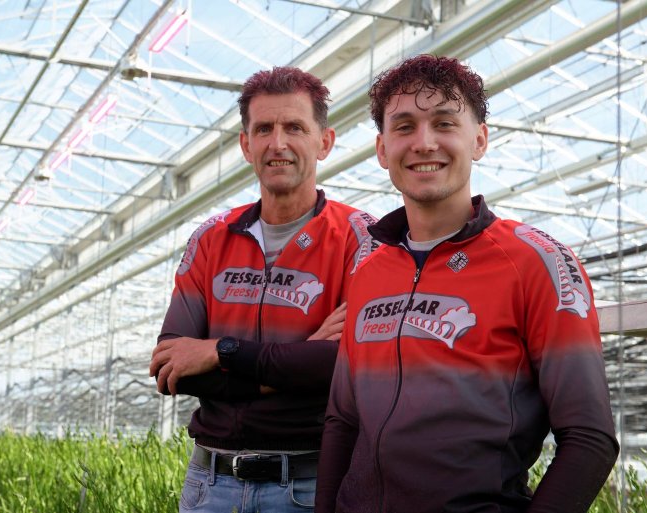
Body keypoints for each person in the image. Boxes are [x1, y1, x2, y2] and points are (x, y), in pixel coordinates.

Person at [315, 55, 619, 513]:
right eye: (404, 127)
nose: (424, 142)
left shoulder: (534, 260)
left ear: (479, 140)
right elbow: (343, 419)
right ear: (381, 150)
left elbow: (590, 438)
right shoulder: (369, 271)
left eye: (444, 122)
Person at [150, 66, 378, 512]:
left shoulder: (360, 238)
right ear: (245, 144)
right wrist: (296, 360)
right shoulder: (212, 238)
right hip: (209, 485)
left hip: (309, 484)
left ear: (324, 141)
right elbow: (169, 368)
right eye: (264, 129)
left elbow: (341, 364)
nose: (278, 143)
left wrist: (220, 351)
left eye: (294, 127)